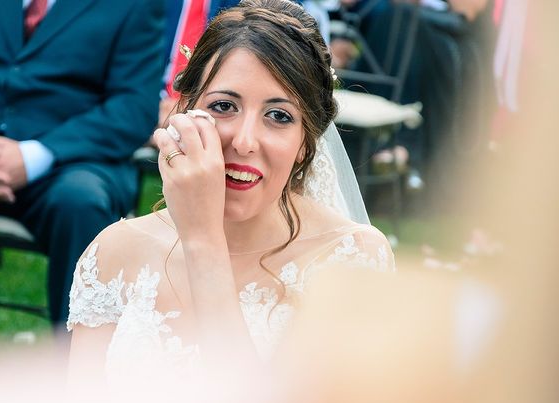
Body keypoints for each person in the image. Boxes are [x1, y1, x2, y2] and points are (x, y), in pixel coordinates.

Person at [67, 0, 394, 381]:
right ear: (184, 111)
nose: (244, 141)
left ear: (306, 141)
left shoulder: (349, 261)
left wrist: (203, 241)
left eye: (279, 116)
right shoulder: (113, 254)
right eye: (224, 106)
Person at [0, 0, 165, 329]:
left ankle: (75, 366)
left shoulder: (135, 6)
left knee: (82, 203)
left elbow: (134, 107)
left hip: (69, 163)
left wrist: (35, 155)